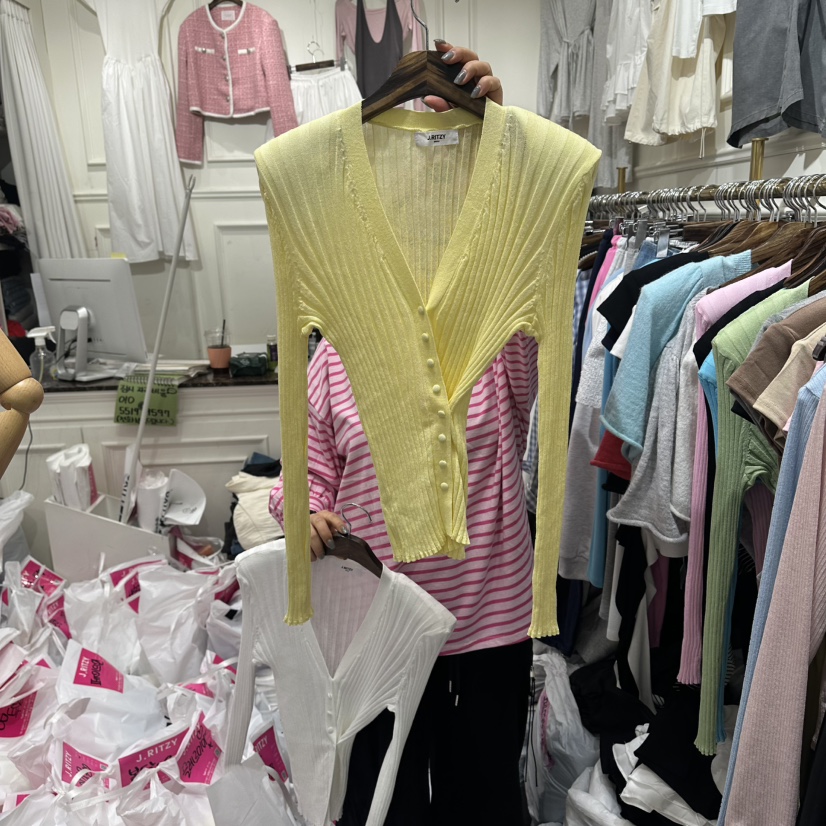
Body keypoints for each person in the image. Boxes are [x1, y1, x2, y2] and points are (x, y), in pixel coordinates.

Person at [270, 41, 531, 826]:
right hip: (375, 629)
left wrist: (493, 142)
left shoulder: (496, 337)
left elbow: (523, 273)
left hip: (488, 630)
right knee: (380, 810)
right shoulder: (334, 355)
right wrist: (304, 515)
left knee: (483, 807)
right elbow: (305, 478)